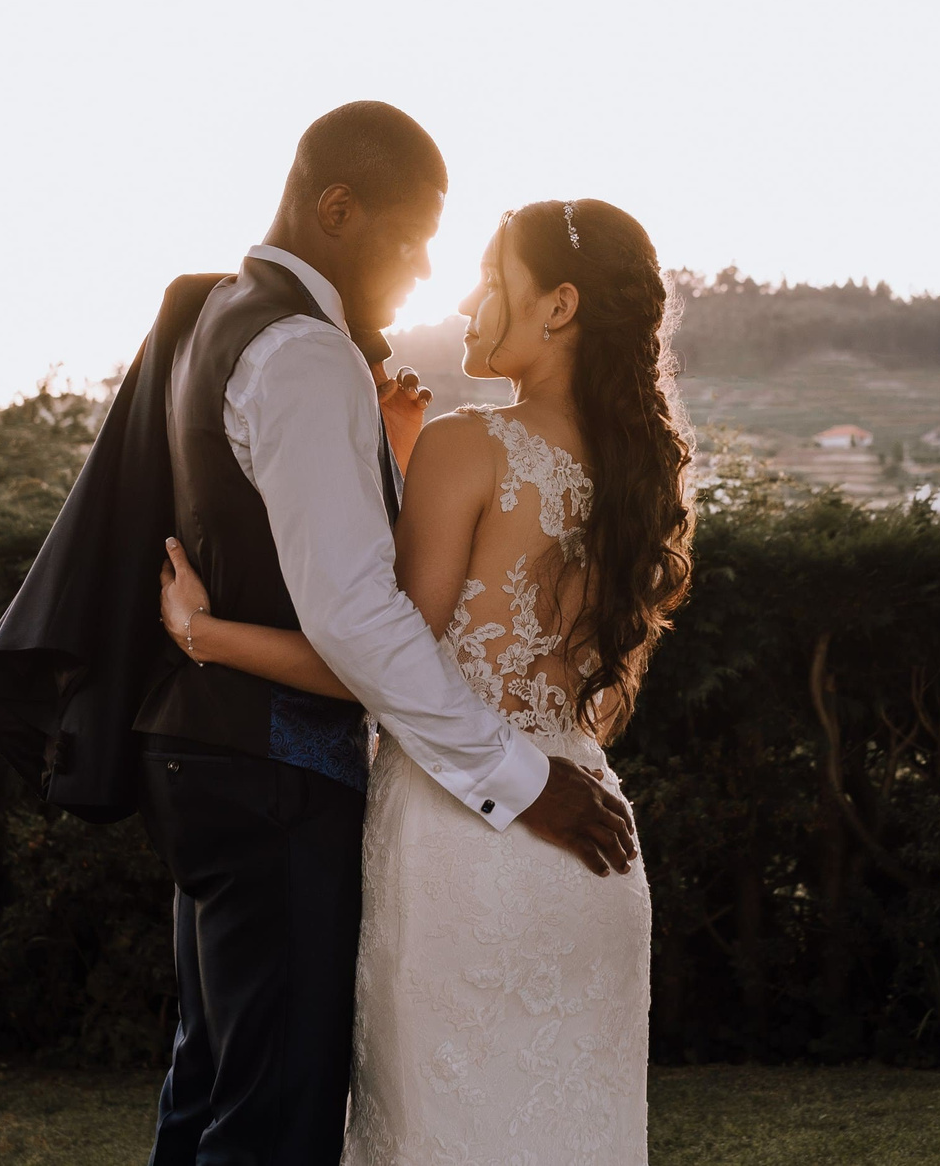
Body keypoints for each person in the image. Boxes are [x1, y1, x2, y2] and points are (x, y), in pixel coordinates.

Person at [133, 105, 641, 1166]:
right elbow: (564, 669)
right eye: (418, 242)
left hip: (468, 828)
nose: (439, 280)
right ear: (336, 208)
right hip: (590, 833)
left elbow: (373, 633)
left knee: (270, 1106)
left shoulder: (436, 426)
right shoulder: (641, 482)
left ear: (559, 303)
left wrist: (207, 634)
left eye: (478, 269)